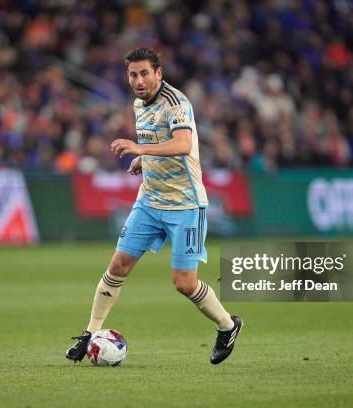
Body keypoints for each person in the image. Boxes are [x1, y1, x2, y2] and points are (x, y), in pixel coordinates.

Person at [65, 47, 242, 365]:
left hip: (186, 204)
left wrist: (139, 147)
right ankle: (90, 334)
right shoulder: (137, 104)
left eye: (145, 73)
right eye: (133, 74)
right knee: (117, 266)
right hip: (149, 201)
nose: (139, 80)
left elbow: (183, 144)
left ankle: (228, 326)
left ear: (158, 74)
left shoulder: (176, 102)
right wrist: (144, 160)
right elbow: (161, 144)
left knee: (184, 283)